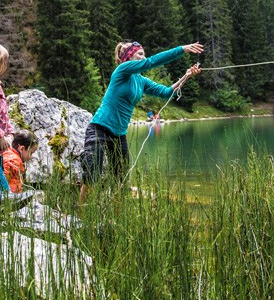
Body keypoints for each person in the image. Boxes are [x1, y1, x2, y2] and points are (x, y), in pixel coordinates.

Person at [79, 41, 203, 200]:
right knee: (91, 173)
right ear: (129, 57)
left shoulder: (141, 81)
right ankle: (81, 215)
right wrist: (182, 49)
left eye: (144, 54)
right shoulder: (122, 70)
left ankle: (117, 219)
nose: (144, 57)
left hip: (119, 135)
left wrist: (186, 76)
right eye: (140, 54)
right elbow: (150, 63)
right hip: (99, 128)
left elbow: (166, 93)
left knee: (120, 180)